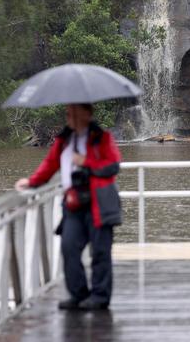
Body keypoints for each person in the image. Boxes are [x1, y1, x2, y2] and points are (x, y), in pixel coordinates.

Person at [15, 103, 122, 310]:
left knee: (100, 251)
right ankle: (79, 294)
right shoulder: (64, 140)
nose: (69, 115)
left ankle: (100, 297)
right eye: (67, 112)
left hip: (99, 202)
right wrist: (32, 182)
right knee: (69, 247)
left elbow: (112, 166)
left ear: (87, 114)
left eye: (74, 111)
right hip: (73, 203)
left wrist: (86, 161)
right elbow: (50, 164)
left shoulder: (102, 138)